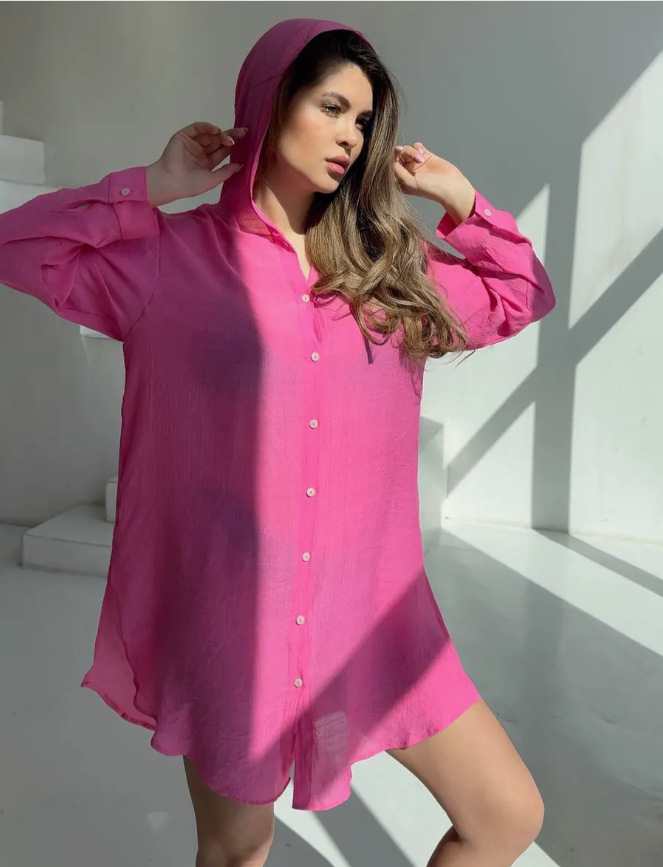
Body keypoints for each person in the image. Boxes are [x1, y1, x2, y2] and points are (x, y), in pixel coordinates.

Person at [0, 16, 557, 867]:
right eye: (331, 107)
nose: (351, 136)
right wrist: (154, 184)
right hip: (235, 625)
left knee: (506, 813)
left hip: (375, 620)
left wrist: (462, 202)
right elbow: (17, 244)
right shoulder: (168, 262)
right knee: (238, 851)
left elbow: (520, 293)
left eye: (363, 120)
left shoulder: (388, 269)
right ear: (269, 103)